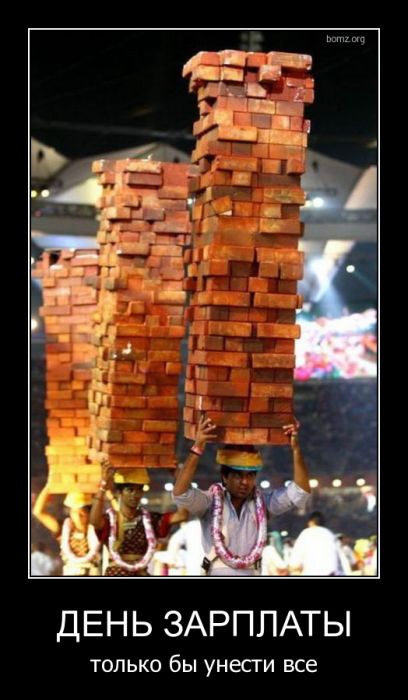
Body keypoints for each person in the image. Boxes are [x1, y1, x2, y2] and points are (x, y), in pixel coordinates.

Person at [173, 415, 311, 576]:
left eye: (250, 475)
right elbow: (181, 493)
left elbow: (301, 491)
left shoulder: (263, 503)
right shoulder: (210, 501)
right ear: (225, 477)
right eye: (238, 475)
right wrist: (197, 448)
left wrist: (296, 450)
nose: (245, 482)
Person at [90, 464, 166, 576]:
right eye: (130, 490)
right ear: (119, 492)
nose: (135, 495)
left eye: (139, 490)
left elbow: (181, 515)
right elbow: (94, 521)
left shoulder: (150, 519)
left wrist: (178, 474)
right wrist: (103, 485)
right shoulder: (110, 519)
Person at [33, 485, 101, 576]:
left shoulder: (97, 528)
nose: (78, 516)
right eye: (75, 512)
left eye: (82, 512)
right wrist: (49, 487)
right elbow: (38, 512)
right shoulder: (63, 529)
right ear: (70, 513)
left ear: (89, 513)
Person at [290, 511, 344, 576]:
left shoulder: (306, 533)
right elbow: (341, 559)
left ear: (311, 522)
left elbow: (294, 564)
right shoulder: (330, 534)